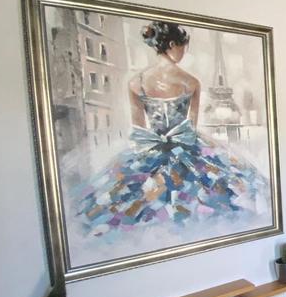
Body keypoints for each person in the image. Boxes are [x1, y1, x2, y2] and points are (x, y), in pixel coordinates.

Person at [75, 21, 268, 236]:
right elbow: (190, 127)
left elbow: (139, 127)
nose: (184, 52)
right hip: (184, 146)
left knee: (134, 199)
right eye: (183, 47)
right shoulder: (190, 82)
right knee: (210, 195)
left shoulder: (136, 82)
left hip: (151, 147)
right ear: (173, 45)